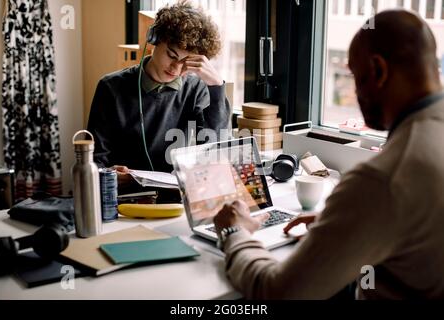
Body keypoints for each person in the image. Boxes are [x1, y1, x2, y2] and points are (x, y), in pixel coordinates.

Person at [213, 9, 444, 299]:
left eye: (354, 76)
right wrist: (349, 222)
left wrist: (234, 234)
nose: (355, 90)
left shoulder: (382, 179)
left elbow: (277, 292)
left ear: (378, 71)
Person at [87, 1, 230, 179]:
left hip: (174, 197)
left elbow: (214, 153)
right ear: (154, 39)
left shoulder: (196, 89)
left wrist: (216, 88)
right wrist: (109, 174)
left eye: (186, 63)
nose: (176, 69)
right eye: (171, 55)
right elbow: (96, 160)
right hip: (125, 196)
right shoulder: (110, 87)